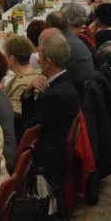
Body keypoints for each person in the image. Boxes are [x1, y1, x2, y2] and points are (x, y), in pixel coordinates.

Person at [20, 33, 79, 188]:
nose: (37, 60)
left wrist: (28, 96)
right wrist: (28, 91)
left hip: (49, 158)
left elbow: (29, 129)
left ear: (47, 62)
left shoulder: (54, 96)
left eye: (40, 57)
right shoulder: (67, 79)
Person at [45, 12, 95, 89]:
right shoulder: (70, 37)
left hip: (79, 89)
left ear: (49, 26)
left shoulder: (61, 43)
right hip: (88, 84)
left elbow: (53, 69)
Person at [3, 35, 39, 122]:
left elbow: (12, 115)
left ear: (11, 59)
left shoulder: (23, 85)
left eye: (5, 54)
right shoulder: (32, 74)